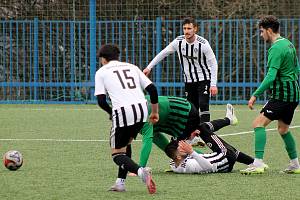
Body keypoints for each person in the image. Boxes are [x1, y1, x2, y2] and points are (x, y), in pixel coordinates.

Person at [94, 44, 159, 194]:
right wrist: (154, 112)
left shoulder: (101, 72)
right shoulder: (132, 67)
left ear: (103, 59)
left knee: (117, 154)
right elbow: (152, 89)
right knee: (126, 144)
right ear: (118, 56)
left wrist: (111, 113)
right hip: (142, 110)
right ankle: (120, 183)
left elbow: (101, 101)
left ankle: (141, 173)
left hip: (123, 112)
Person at [240, 15, 300, 174]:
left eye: (261, 31)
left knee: (257, 124)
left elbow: (271, 77)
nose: (261, 35)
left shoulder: (275, 48)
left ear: (269, 30)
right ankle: (295, 164)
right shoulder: (289, 44)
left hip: (282, 95)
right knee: (283, 130)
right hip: (293, 94)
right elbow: (297, 69)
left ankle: (258, 163)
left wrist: (255, 95)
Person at [143, 17, 218, 123]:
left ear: (195, 29)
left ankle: (206, 133)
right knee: (192, 108)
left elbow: (213, 63)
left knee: (203, 104)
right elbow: (163, 53)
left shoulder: (203, 44)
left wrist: (213, 84)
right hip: (188, 80)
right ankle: (194, 135)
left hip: (204, 78)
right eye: (185, 28)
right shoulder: (178, 41)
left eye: (189, 28)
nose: (186, 31)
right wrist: (149, 67)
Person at [138, 95, 238, 167]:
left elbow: (148, 139)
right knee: (201, 129)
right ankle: (229, 120)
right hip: (174, 118)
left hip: (187, 114)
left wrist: (140, 168)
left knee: (180, 146)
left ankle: (208, 159)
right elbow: (156, 138)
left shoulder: (142, 116)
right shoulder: (136, 110)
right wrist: (174, 158)